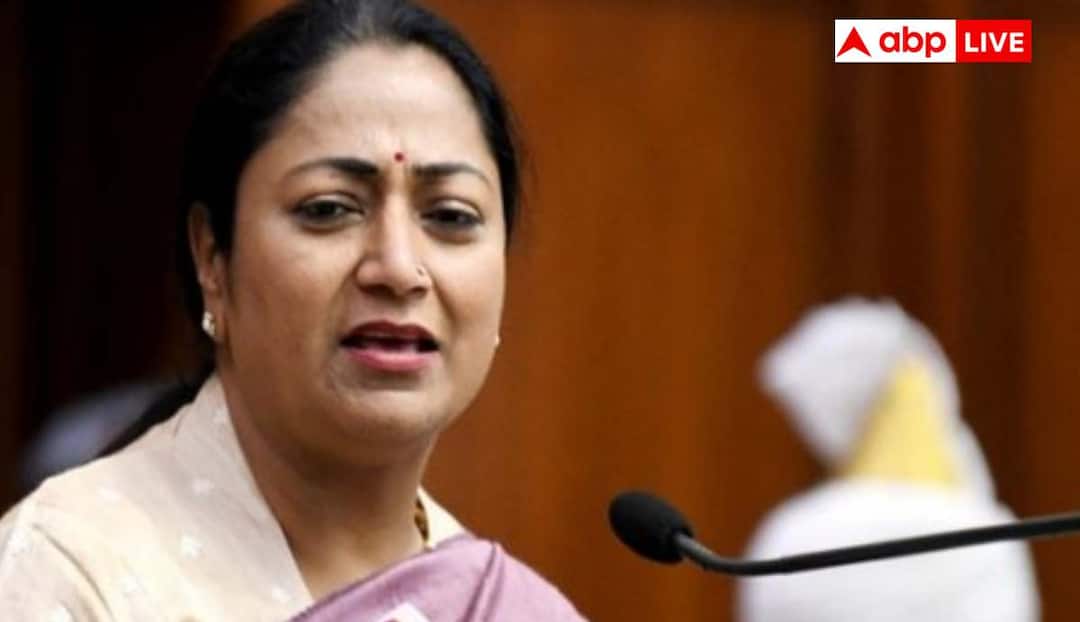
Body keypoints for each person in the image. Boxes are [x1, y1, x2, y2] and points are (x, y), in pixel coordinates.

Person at [0, 1, 584, 619]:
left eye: (450, 216)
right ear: (211, 256)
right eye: (329, 209)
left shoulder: (509, 608)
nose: (397, 267)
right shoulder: (63, 575)